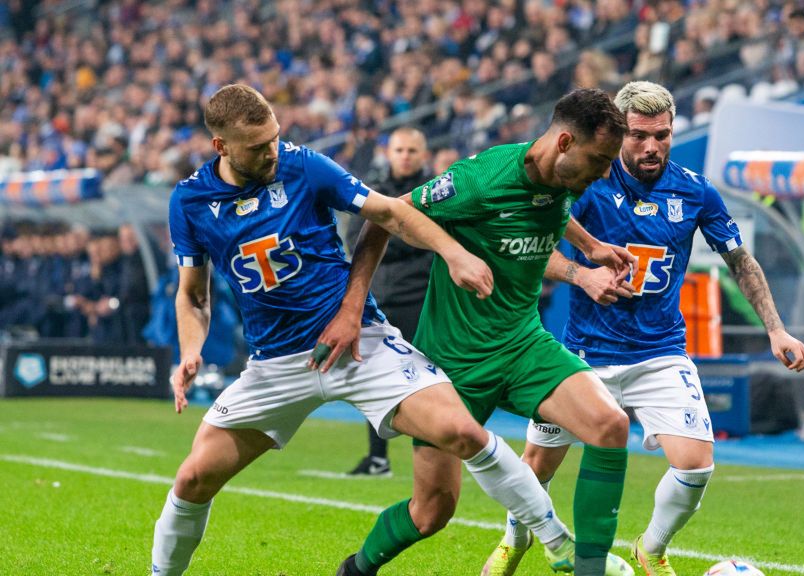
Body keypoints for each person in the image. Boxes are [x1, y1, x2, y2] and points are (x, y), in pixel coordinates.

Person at [151, 84, 573, 576]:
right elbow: (193, 294)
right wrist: (189, 350)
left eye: (275, 137)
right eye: (258, 146)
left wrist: (453, 252)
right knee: (193, 480)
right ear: (221, 146)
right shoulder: (190, 201)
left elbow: (390, 212)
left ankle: (561, 545)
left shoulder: (303, 165)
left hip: (359, 342)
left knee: (462, 431)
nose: (272, 151)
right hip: (277, 364)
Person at [480, 81, 804, 576]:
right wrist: (581, 274)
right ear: (617, 132)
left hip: (659, 351)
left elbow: (741, 261)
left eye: (663, 134)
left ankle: (650, 549)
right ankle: (516, 539)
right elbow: (530, 244)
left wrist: (777, 330)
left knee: (696, 465)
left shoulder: (695, 190)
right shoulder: (587, 181)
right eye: (639, 136)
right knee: (538, 467)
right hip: (583, 354)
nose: (652, 146)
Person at [339, 88, 638, 576]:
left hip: (522, 345)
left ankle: (585, 568)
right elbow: (385, 216)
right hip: (451, 366)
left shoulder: (563, 178)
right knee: (431, 513)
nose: (605, 173)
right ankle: (354, 570)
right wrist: (354, 304)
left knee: (610, 425)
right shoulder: (480, 180)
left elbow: (546, 216)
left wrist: (591, 248)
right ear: (564, 141)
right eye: (601, 160)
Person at [342, 127, 435, 477]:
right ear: (389, 153)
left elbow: (435, 242)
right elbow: (356, 239)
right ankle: (377, 456)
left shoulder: (437, 193)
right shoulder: (374, 191)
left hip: (424, 299)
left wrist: (389, 233)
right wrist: (411, 235)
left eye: (412, 150)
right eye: (400, 150)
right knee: (372, 378)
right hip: (380, 299)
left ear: (423, 155)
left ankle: (429, 458)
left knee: (430, 380)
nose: (406, 156)